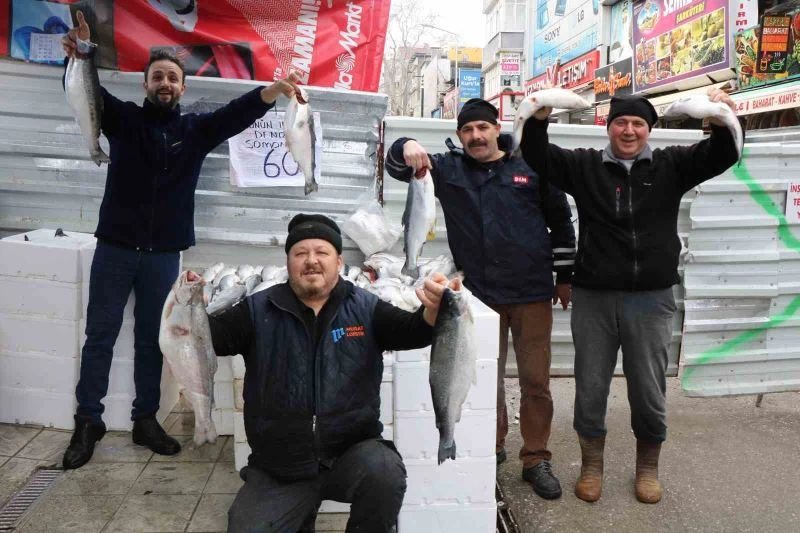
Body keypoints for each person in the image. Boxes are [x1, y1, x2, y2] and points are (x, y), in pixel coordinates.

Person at [60, 11, 302, 469]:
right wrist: (81, 54)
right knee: (100, 337)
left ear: (183, 88)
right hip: (114, 247)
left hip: (162, 256)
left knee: (154, 340)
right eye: (157, 77)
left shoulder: (195, 131)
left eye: (172, 77)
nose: (165, 83)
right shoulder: (123, 119)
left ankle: (144, 419)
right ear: (146, 84)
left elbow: (236, 114)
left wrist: (274, 90)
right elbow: (83, 93)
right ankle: (87, 420)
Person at [519, 90, 739, 503]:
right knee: (590, 386)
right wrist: (538, 116)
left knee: (649, 389)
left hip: (651, 299)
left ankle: (648, 467)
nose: (629, 130)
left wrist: (717, 116)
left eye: (638, 123)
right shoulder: (584, 165)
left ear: (649, 130)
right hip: (594, 297)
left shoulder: (671, 164)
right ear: (608, 127)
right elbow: (536, 153)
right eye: (621, 122)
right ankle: (592, 465)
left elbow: (724, 154)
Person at [201, 214, 451, 532]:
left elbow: (412, 331)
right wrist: (188, 309)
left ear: (338, 261)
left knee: (384, 471)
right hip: (280, 466)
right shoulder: (256, 310)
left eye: (322, 252)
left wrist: (432, 312)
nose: (311, 261)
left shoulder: (364, 308)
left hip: (348, 454)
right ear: (288, 262)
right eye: (300, 253)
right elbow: (209, 339)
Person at [385, 98, 576, 500]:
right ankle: (492, 449)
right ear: (459, 135)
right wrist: (404, 144)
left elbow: (561, 222)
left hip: (531, 292)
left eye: (482, 128)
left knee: (536, 382)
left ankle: (536, 458)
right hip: (477, 301)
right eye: (467, 131)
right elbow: (398, 166)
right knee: (483, 377)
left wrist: (565, 277)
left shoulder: (532, 164)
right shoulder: (448, 169)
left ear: (495, 129)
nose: (475, 137)